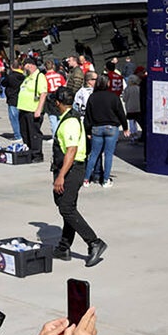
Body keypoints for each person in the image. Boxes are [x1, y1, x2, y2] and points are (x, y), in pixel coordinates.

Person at [50, 87, 108, 267]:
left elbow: (72, 150)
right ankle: (63, 247)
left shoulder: (69, 122)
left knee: (66, 208)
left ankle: (94, 242)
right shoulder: (71, 117)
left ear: (58, 103)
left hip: (72, 169)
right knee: (66, 207)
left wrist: (61, 176)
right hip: (71, 168)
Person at [82, 76, 128, 187]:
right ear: (107, 84)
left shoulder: (92, 97)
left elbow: (88, 115)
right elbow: (121, 113)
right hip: (111, 127)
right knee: (108, 155)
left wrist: (87, 131)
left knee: (94, 154)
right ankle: (106, 180)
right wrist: (125, 127)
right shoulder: (113, 97)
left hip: (96, 127)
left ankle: (86, 179)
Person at [17, 57, 48, 161]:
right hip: (23, 109)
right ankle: (28, 152)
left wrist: (38, 109)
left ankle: (37, 154)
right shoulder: (28, 77)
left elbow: (43, 93)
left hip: (32, 110)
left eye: (24, 66)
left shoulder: (39, 76)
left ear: (29, 65)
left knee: (34, 133)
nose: (23, 68)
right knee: (25, 133)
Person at [1, 59, 25, 141]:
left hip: (12, 99)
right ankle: (22, 133)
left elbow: (3, 83)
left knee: (14, 118)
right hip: (22, 99)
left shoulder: (10, 76)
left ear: (11, 67)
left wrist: (4, 74)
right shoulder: (23, 76)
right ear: (20, 67)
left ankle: (18, 135)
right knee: (21, 118)